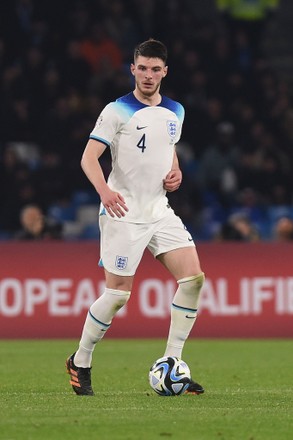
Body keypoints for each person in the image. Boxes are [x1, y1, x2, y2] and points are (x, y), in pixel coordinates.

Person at [66, 39, 205, 396]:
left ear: (165, 72)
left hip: (159, 210)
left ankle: (172, 363)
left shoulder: (176, 111)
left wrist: (175, 172)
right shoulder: (117, 111)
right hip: (123, 212)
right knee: (118, 295)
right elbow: (88, 158)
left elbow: (167, 150)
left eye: (155, 69)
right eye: (142, 67)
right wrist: (105, 192)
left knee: (192, 280)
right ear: (132, 69)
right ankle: (80, 360)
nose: (148, 75)